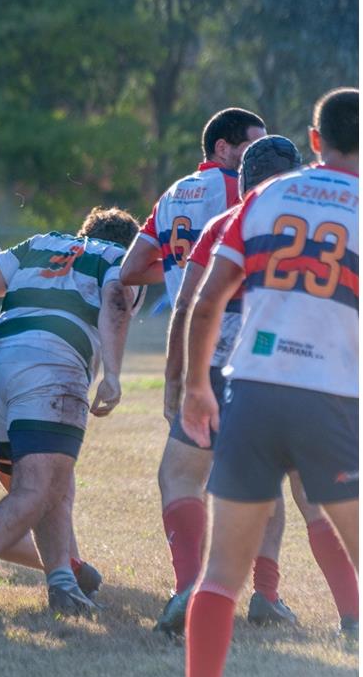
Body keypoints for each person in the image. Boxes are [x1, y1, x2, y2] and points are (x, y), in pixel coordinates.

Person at [181, 89, 359, 677]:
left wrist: (197, 386)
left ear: (315, 140)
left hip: (251, 393)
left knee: (221, 577)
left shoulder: (263, 195)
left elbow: (206, 300)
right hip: (331, 399)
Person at [0, 207, 142, 618]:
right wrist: (114, 375)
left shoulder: (42, 243)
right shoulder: (120, 259)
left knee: (54, 484)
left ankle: (62, 583)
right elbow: (117, 300)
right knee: (40, 488)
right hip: (50, 364)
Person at [113, 107, 270, 630]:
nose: (260, 159)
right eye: (253, 146)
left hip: (189, 341)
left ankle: (188, 587)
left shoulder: (173, 194)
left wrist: (182, 268)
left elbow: (130, 269)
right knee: (262, 475)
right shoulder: (241, 190)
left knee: (181, 475)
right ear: (224, 149)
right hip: (242, 334)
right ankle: (266, 595)